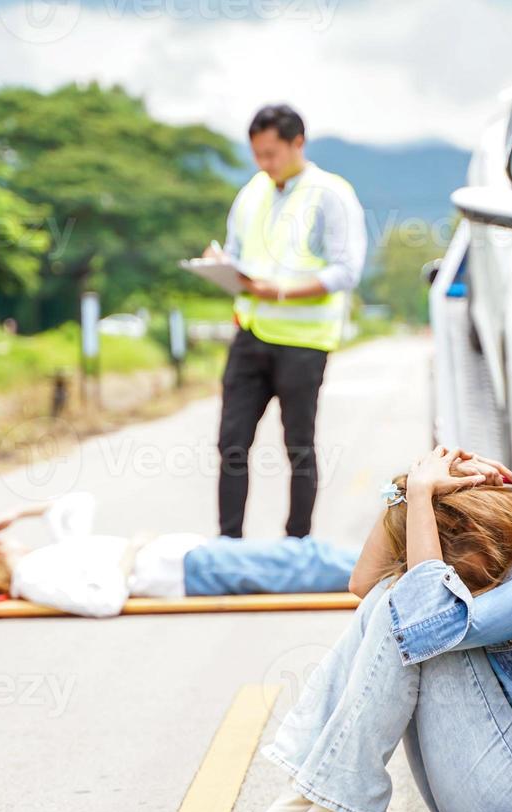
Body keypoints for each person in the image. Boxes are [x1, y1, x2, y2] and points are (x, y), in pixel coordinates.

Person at [207, 446, 512, 812]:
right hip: (491, 792)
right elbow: (363, 581)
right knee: (389, 596)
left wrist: (425, 504)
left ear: (482, 531)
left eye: (454, 562)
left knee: (417, 613)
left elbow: (425, 615)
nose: (454, 572)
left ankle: (341, 808)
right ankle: (307, 797)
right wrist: (410, 488)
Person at [209, 104, 367, 540]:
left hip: (303, 342)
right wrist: (222, 266)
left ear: (298, 143)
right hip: (251, 333)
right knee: (231, 443)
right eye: (257, 154)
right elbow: (239, 253)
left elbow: (345, 270)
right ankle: (229, 541)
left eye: (271, 153)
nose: (264, 164)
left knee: (298, 446)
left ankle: (297, 541)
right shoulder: (251, 193)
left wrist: (279, 291)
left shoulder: (330, 194)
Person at [0, 491, 360, 618]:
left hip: (189, 557)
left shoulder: (43, 560)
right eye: (5, 536)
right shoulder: (33, 577)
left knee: (304, 559)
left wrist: (15, 512)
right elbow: (103, 601)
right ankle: (406, 559)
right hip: (188, 569)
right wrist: (131, 551)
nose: (14, 537)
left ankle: (402, 557)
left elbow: (77, 503)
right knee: (306, 561)